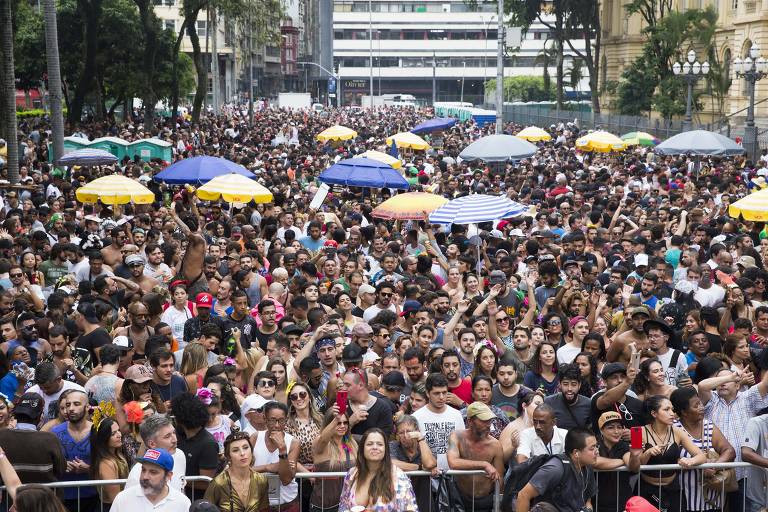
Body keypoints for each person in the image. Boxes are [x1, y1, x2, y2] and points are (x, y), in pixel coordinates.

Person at [628, 395, 707, 512]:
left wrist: (690, 461)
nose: (672, 413)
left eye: (672, 409)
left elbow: (701, 456)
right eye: (666, 409)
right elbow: (634, 468)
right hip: (647, 489)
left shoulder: (678, 431)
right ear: (654, 413)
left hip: (673, 489)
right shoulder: (637, 432)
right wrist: (647, 453)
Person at [671, 386, 735, 512]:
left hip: (712, 499)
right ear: (684, 412)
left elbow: (729, 451)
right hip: (684, 499)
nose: (701, 407)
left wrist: (715, 466)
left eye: (700, 403)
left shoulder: (708, 426)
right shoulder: (674, 428)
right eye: (696, 406)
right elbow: (669, 457)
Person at [515, 428, 599, 512]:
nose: (597, 451)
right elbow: (523, 495)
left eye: (596, 446)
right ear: (576, 453)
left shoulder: (587, 467)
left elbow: (588, 502)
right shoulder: (555, 468)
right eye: (592, 448)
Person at [338, 428, 417, 511]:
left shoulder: (398, 476)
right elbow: (343, 507)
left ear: (385, 449)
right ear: (362, 448)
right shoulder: (352, 474)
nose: (375, 447)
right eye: (370, 444)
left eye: (380, 444)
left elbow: (409, 509)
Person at [447, 402, 504, 512]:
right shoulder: (457, 436)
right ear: (470, 421)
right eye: (483, 421)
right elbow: (453, 462)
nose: (488, 424)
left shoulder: (495, 445)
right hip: (460, 498)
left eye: (490, 420)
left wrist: (499, 503)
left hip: (485, 501)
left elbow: (499, 478)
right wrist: (484, 464)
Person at [0, 392, 65, 486]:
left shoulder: (1, 436)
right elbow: (61, 469)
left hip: (11, 498)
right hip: (45, 497)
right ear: (41, 416)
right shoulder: (50, 439)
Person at [51, 389, 98, 511]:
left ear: (87, 407)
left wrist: (89, 469)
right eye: (68, 405)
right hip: (63, 498)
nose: (70, 408)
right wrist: (61, 465)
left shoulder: (98, 431)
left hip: (94, 497)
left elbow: (110, 460)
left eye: (76, 404)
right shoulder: (55, 432)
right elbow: (48, 462)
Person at [251, 401, 300, 512]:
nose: (277, 425)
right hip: (260, 503)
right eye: (273, 420)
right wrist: (268, 467)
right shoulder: (255, 437)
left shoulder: (293, 442)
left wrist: (282, 449)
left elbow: (286, 479)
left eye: (281, 421)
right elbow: (244, 471)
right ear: (265, 418)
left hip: (287, 504)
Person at [203, 431, 269, 512]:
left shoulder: (261, 480)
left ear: (251, 451)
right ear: (229, 456)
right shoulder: (219, 483)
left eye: (245, 447)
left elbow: (264, 509)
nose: (242, 453)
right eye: (235, 450)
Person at [110, 447, 191, 512]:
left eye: (153, 472)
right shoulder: (122, 499)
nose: (145, 477)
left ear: (168, 476)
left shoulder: (182, 503)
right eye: (143, 470)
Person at [171, 392, 219, 497]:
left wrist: (176, 480)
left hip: (196, 501)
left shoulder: (208, 444)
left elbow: (206, 482)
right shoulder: (176, 434)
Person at [311, 406, 358, 512]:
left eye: (345, 423)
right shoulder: (321, 444)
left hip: (348, 505)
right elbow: (323, 439)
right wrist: (336, 418)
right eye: (338, 423)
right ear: (329, 424)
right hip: (324, 507)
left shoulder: (351, 443)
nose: (342, 426)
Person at [126, 414, 187, 492]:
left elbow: (180, 488)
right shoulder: (138, 472)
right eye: (167, 436)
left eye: (174, 433)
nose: (175, 440)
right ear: (152, 444)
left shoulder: (180, 455)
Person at [90, 417, 130, 507]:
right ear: (104, 438)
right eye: (113, 433)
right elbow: (114, 498)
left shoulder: (118, 454)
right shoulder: (106, 464)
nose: (119, 435)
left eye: (118, 430)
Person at [544, 363, 591, 430]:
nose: (569, 389)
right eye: (565, 384)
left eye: (574, 384)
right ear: (560, 384)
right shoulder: (548, 402)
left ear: (579, 385)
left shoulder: (588, 404)